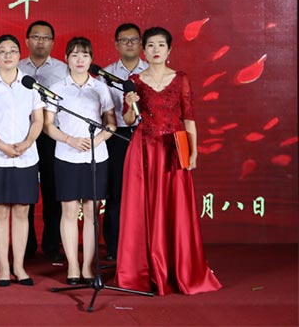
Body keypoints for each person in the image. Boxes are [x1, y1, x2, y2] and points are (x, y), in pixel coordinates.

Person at [116, 27, 222, 295]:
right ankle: (146, 269)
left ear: (169, 50)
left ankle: (179, 269)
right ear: (144, 50)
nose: (155, 50)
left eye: (160, 45)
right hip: (143, 149)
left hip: (175, 148)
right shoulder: (135, 81)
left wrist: (194, 152)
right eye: (150, 45)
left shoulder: (180, 79)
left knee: (176, 207)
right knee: (143, 208)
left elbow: (189, 118)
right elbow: (128, 120)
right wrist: (129, 102)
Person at [43, 37, 115, 285]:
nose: (80, 60)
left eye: (85, 55)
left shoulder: (100, 88)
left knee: (93, 212)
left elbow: (111, 123)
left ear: (91, 59)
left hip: (96, 156)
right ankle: (73, 265)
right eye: (74, 55)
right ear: (66, 59)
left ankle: (88, 267)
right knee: (69, 211)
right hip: (66, 155)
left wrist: (97, 140)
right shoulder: (57, 88)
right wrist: (69, 140)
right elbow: (48, 125)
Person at [0, 34, 44, 287]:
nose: (8, 55)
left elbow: (38, 120)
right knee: (0, 211)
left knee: (22, 211)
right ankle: (4, 267)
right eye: (2, 51)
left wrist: (27, 143)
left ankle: (19, 266)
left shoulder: (30, 84)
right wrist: (2, 146)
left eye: (12, 51)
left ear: (19, 55)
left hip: (26, 156)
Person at [19, 20, 68, 262]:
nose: (41, 42)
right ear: (27, 40)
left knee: (52, 191)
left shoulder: (63, 69)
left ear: (52, 42)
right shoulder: (16, 67)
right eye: (36, 37)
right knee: (24, 193)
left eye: (46, 38)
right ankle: (26, 245)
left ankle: (52, 244)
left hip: (51, 135)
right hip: (22, 136)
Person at [100, 23, 148, 262]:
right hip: (115, 136)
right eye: (124, 40)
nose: (129, 44)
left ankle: (145, 244)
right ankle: (114, 246)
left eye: (134, 40)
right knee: (116, 192)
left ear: (141, 44)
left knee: (145, 192)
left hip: (145, 135)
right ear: (116, 44)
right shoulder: (105, 74)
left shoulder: (150, 71)